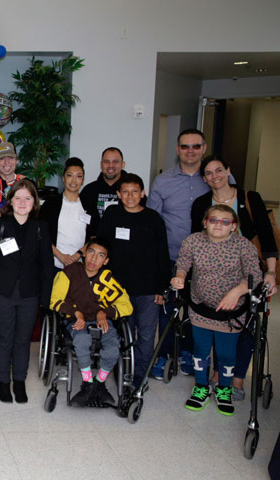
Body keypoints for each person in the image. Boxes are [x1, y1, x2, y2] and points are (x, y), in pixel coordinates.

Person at [191, 155, 278, 400]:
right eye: (208, 173)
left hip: (247, 273)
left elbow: (267, 236)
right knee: (217, 323)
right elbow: (196, 240)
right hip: (212, 275)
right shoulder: (201, 204)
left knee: (243, 328)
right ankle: (218, 374)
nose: (214, 176)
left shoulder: (250, 199)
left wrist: (270, 272)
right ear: (204, 178)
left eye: (219, 170)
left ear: (228, 170)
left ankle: (237, 378)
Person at [173, 205, 262, 416]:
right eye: (213, 220)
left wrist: (238, 291)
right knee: (201, 351)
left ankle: (224, 389)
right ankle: (201, 387)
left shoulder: (243, 245)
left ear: (233, 226)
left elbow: (254, 275)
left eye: (225, 221)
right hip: (200, 309)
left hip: (230, 314)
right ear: (205, 222)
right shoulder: (193, 240)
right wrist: (180, 276)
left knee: (226, 354)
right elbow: (183, 262)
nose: (218, 225)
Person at [147, 128, 215, 378]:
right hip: (171, 256)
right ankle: (162, 354)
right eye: (185, 146)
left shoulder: (213, 179)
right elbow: (153, 221)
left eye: (196, 146)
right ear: (177, 150)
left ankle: (189, 353)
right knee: (167, 308)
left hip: (206, 260)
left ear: (203, 149)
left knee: (198, 311)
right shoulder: (163, 181)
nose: (190, 151)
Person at [0, 178, 53, 403]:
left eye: (28, 198)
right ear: (10, 200)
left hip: (30, 295)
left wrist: (46, 299)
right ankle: (4, 382)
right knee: (3, 339)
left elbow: (47, 266)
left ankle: (19, 382)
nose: (23, 202)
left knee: (22, 341)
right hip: (2, 294)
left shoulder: (41, 228)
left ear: (35, 202)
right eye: (18, 197)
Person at [97, 173, 170, 388]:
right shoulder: (112, 214)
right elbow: (102, 245)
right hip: (118, 289)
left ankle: (140, 376)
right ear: (118, 194)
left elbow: (162, 255)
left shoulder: (153, 219)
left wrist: (161, 287)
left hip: (148, 289)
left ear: (143, 193)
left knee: (146, 335)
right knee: (121, 333)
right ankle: (122, 371)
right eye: (125, 192)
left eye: (135, 191)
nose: (130, 196)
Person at [50, 238, 133, 406]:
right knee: (82, 340)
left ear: (106, 261)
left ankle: (100, 383)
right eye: (91, 252)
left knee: (113, 347)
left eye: (100, 256)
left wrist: (105, 312)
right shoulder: (68, 273)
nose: (94, 259)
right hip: (75, 320)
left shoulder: (108, 280)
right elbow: (55, 301)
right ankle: (87, 383)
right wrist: (76, 312)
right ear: (85, 253)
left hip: (101, 321)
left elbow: (127, 306)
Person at [39, 157, 94, 273]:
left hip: (81, 265)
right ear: (64, 178)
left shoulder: (89, 205)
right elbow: (42, 233)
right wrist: (60, 256)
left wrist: (78, 254)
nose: (74, 180)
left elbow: (94, 235)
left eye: (79, 176)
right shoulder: (51, 203)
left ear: (83, 180)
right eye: (70, 175)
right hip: (54, 263)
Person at [79, 147, 142, 234]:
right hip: (96, 244)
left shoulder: (134, 192)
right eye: (106, 161)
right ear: (101, 164)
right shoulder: (89, 191)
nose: (110, 165)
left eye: (115, 162)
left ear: (123, 164)